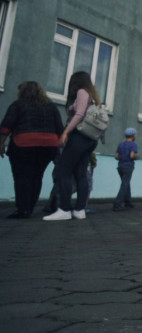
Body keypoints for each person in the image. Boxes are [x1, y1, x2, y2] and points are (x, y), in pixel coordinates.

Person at [0, 81, 64, 218]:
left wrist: (1, 143)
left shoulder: (18, 105)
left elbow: (6, 125)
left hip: (24, 144)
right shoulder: (51, 106)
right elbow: (60, 129)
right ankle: (29, 208)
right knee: (37, 176)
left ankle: (22, 209)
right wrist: (58, 149)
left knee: (22, 177)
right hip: (48, 146)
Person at [44, 71, 100, 221]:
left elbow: (79, 114)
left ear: (76, 82)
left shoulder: (82, 92)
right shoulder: (93, 97)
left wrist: (66, 132)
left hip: (79, 137)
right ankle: (80, 210)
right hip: (90, 139)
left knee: (64, 170)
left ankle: (64, 209)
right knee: (81, 172)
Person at [113, 127, 139, 211]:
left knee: (126, 183)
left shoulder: (121, 144)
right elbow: (132, 156)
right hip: (128, 166)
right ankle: (117, 204)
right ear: (133, 135)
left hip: (120, 166)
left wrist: (122, 157)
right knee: (124, 185)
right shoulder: (133, 145)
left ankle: (128, 202)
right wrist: (136, 157)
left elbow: (116, 156)